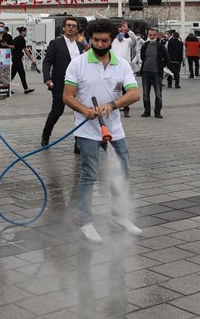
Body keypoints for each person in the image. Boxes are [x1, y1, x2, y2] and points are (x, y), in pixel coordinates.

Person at [62, 18, 143, 243]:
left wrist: (113, 105)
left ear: (111, 40)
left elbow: (135, 94)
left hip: (114, 127)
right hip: (88, 129)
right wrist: (85, 110)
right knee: (89, 173)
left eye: (104, 40)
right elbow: (68, 96)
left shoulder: (122, 64)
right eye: (95, 40)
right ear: (90, 39)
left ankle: (118, 216)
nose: (99, 44)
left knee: (122, 171)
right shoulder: (78, 64)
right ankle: (85, 221)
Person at [40, 17, 84, 148]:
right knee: (57, 111)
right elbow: (47, 62)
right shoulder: (56, 43)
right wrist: (47, 78)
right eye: (68, 25)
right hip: (61, 83)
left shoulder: (81, 45)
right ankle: (45, 135)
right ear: (63, 28)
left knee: (80, 112)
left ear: (77, 29)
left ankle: (79, 142)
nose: (71, 28)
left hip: (79, 84)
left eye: (74, 26)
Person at [139, 28, 169, 118]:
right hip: (145, 72)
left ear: (156, 35)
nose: (152, 36)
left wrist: (161, 66)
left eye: (153, 35)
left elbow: (167, 58)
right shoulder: (145, 45)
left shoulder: (160, 46)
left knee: (158, 94)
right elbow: (142, 57)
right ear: (148, 35)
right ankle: (147, 111)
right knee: (145, 93)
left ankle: (157, 112)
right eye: (150, 35)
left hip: (156, 73)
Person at [111, 21, 137, 117]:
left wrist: (127, 30)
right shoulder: (113, 41)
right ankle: (116, 106)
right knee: (116, 89)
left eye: (122, 31)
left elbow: (134, 39)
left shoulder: (128, 41)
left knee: (126, 90)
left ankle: (126, 108)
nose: (120, 33)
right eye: (119, 31)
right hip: (114, 68)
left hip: (125, 69)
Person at [10, 27, 35, 94]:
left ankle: (6, 88)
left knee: (12, 74)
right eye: (25, 32)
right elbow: (26, 50)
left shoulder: (16, 38)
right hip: (17, 58)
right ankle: (26, 89)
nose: (26, 33)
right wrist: (31, 58)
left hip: (15, 58)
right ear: (22, 32)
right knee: (22, 73)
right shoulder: (21, 39)